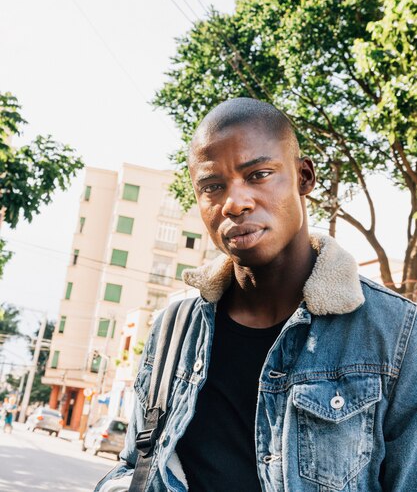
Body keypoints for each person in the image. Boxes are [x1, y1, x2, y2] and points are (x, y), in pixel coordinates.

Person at [95, 98, 417, 492]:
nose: (235, 202)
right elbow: (136, 466)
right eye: (213, 187)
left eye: (259, 174)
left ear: (304, 177)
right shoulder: (173, 328)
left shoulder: (397, 336)